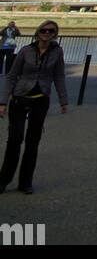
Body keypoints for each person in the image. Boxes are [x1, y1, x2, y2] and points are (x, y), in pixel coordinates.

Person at [0, 20, 68, 193]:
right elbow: (11, 76)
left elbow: (59, 76)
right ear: (38, 32)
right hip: (20, 98)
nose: (46, 33)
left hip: (40, 100)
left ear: (55, 34)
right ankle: (4, 179)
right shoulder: (26, 51)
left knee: (33, 142)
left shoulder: (57, 52)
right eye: (43, 30)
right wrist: (3, 102)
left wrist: (63, 100)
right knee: (15, 140)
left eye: (50, 31)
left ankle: (25, 182)